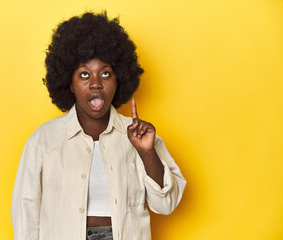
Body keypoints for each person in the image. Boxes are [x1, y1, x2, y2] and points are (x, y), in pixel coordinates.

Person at [11, 11, 186, 240]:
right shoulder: (44, 139)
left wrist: (147, 153)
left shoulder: (138, 137)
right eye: (84, 74)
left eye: (105, 73)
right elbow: (26, 212)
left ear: (119, 79)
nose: (96, 84)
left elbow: (166, 204)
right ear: (69, 83)